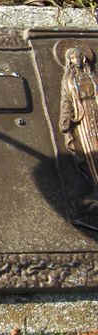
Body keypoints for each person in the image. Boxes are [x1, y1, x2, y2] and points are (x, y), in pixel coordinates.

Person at [59, 46, 98, 220]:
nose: (76, 60)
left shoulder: (92, 76)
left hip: (96, 113)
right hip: (83, 120)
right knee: (91, 153)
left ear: (83, 58)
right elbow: (66, 100)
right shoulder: (69, 79)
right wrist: (65, 119)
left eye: (78, 57)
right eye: (73, 58)